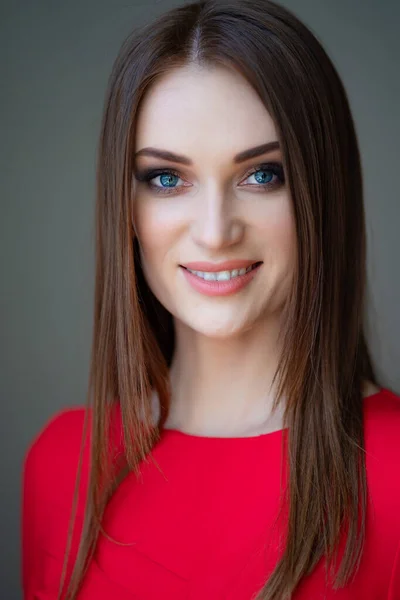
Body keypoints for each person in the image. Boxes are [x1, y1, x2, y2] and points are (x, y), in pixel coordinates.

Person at [21, 0, 400, 598]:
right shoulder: (59, 467)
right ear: (129, 209)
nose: (216, 231)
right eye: (167, 179)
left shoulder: (393, 471)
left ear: (323, 191)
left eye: (263, 174)